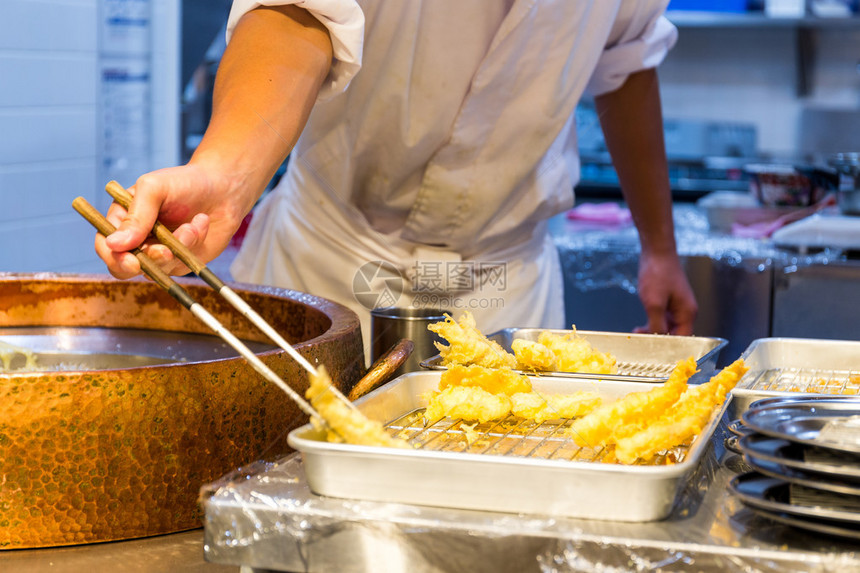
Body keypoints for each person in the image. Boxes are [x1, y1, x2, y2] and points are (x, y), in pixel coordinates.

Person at [95, 0, 698, 357]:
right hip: (334, 265)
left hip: (504, 282)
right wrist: (224, 174)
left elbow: (627, 62)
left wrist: (660, 248)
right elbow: (299, 12)